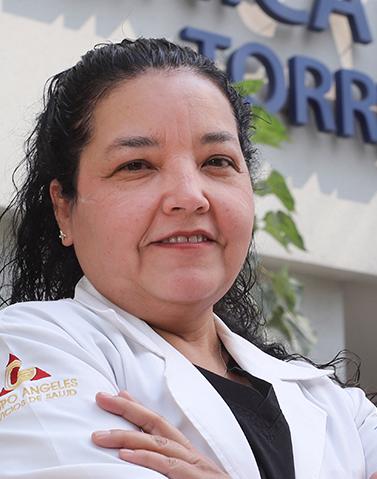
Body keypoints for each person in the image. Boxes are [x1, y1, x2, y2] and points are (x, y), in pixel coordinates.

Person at [0, 38, 376, 479]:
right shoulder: (29, 349)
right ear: (65, 207)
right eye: (136, 165)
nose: (189, 197)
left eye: (217, 161)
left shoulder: (339, 408)